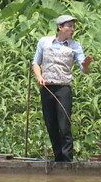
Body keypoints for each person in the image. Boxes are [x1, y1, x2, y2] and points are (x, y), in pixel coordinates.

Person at [32, 15, 93, 162]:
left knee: (64, 125)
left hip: (63, 89)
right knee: (50, 124)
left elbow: (84, 69)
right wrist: (39, 77)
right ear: (60, 27)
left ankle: (67, 160)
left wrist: (85, 65)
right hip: (47, 88)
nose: (72, 29)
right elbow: (36, 63)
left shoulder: (75, 45)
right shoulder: (44, 42)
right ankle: (57, 158)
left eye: (73, 26)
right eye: (69, 26)